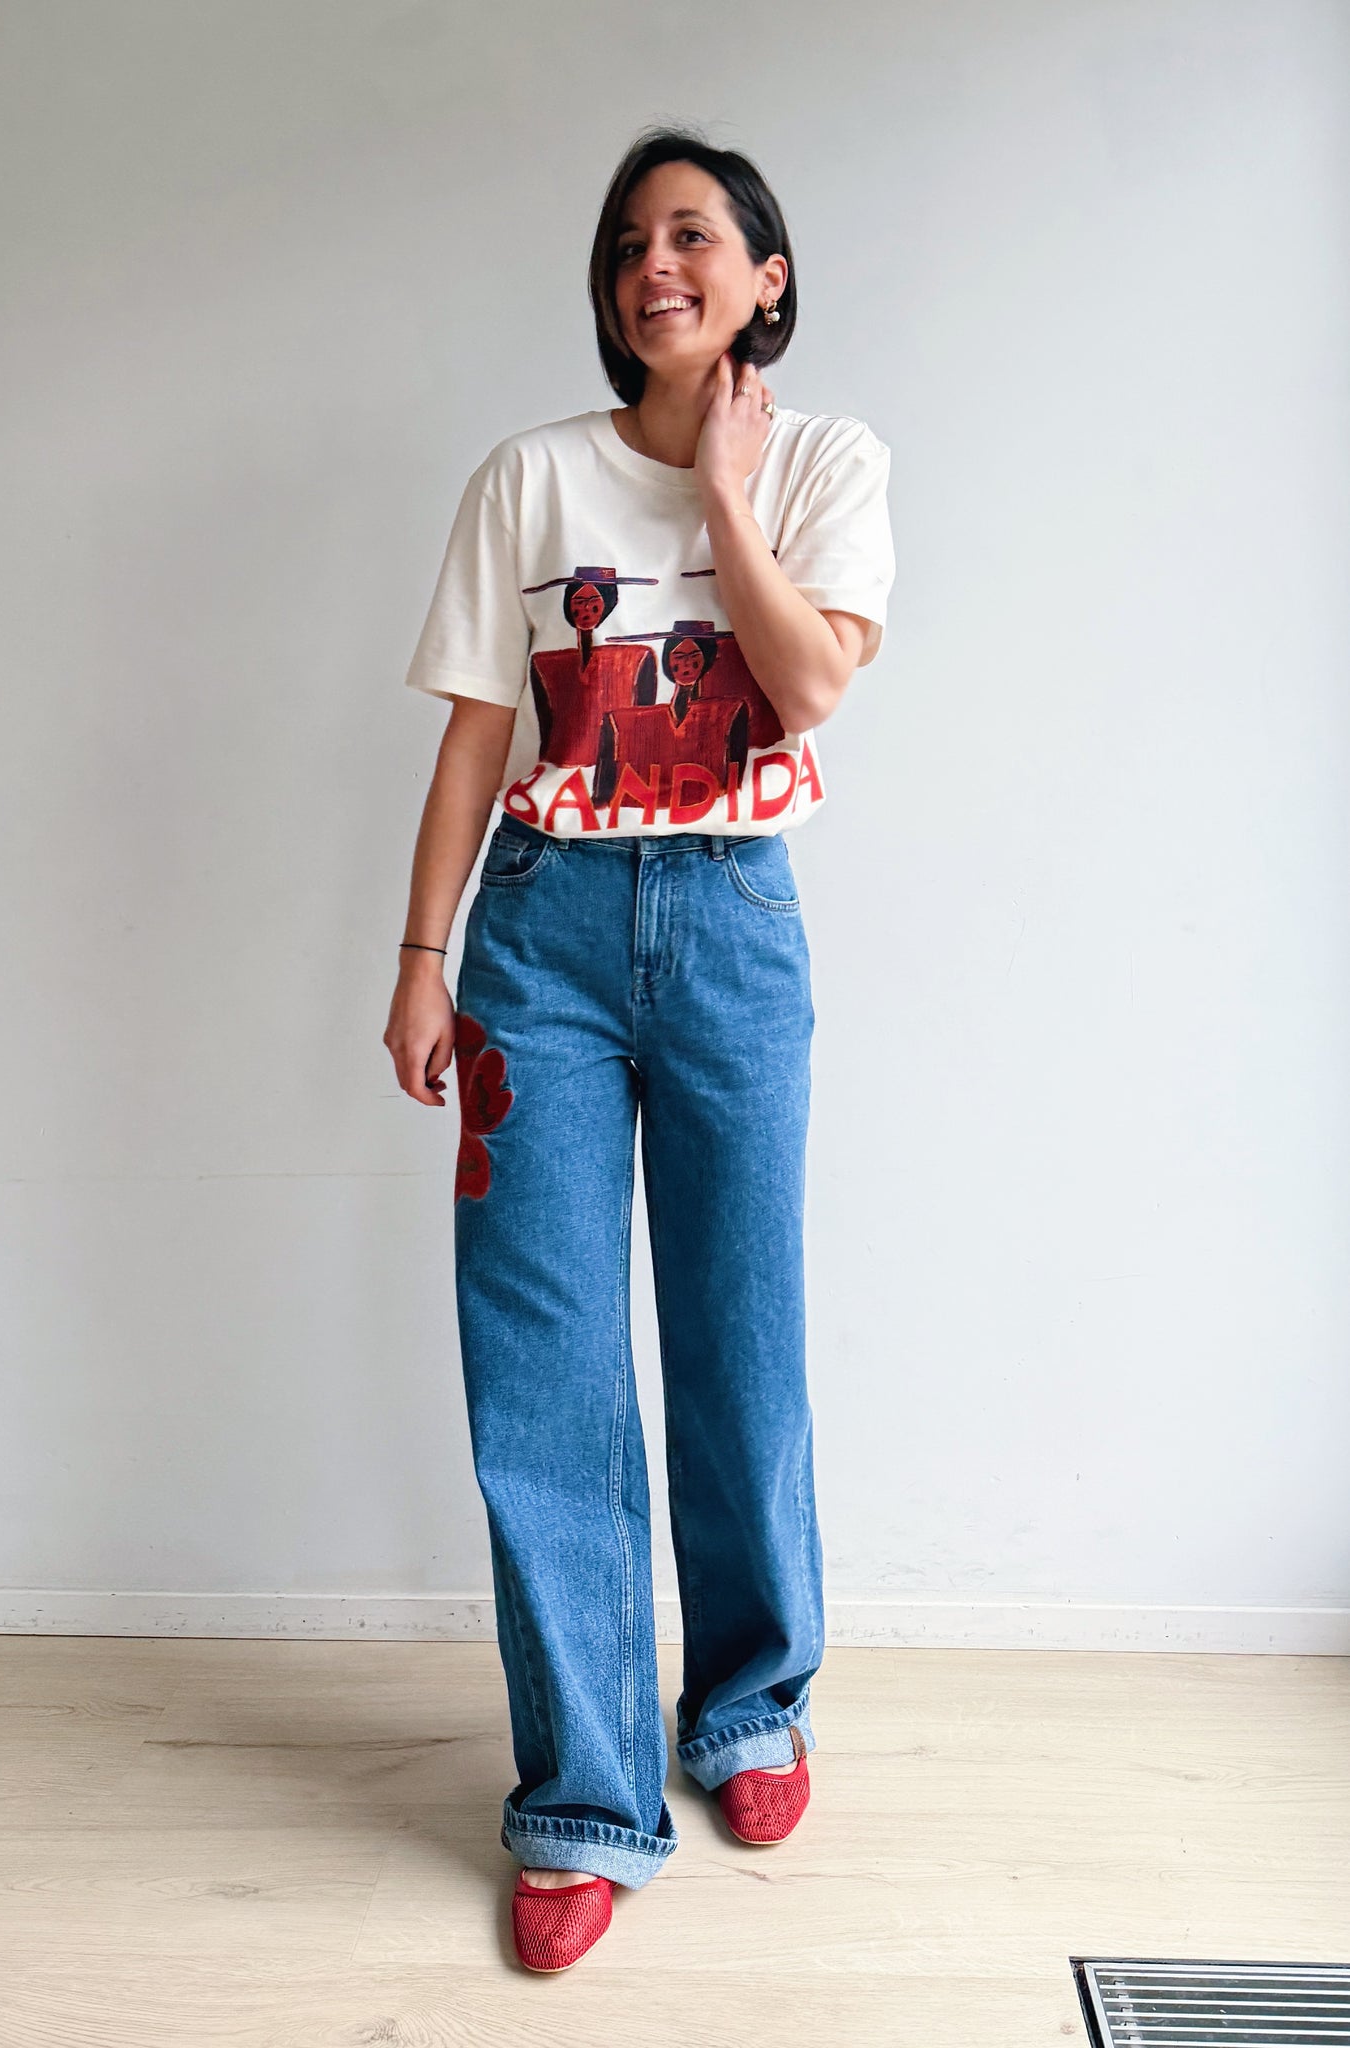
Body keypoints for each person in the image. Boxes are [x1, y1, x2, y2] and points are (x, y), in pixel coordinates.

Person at [384, 125, 896, 1972]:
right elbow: (474, 734)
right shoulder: (527, 479)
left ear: (765, 274)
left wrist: (727, 498)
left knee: (738, 1329)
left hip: (734, 921)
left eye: (690, 236)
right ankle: (582, 1799)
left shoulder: (829, 461)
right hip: (540, 934)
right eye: (625, 245)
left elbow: (808, 683)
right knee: (541, 1365)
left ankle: (750, 1705)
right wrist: (423, 957)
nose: (651, 267)